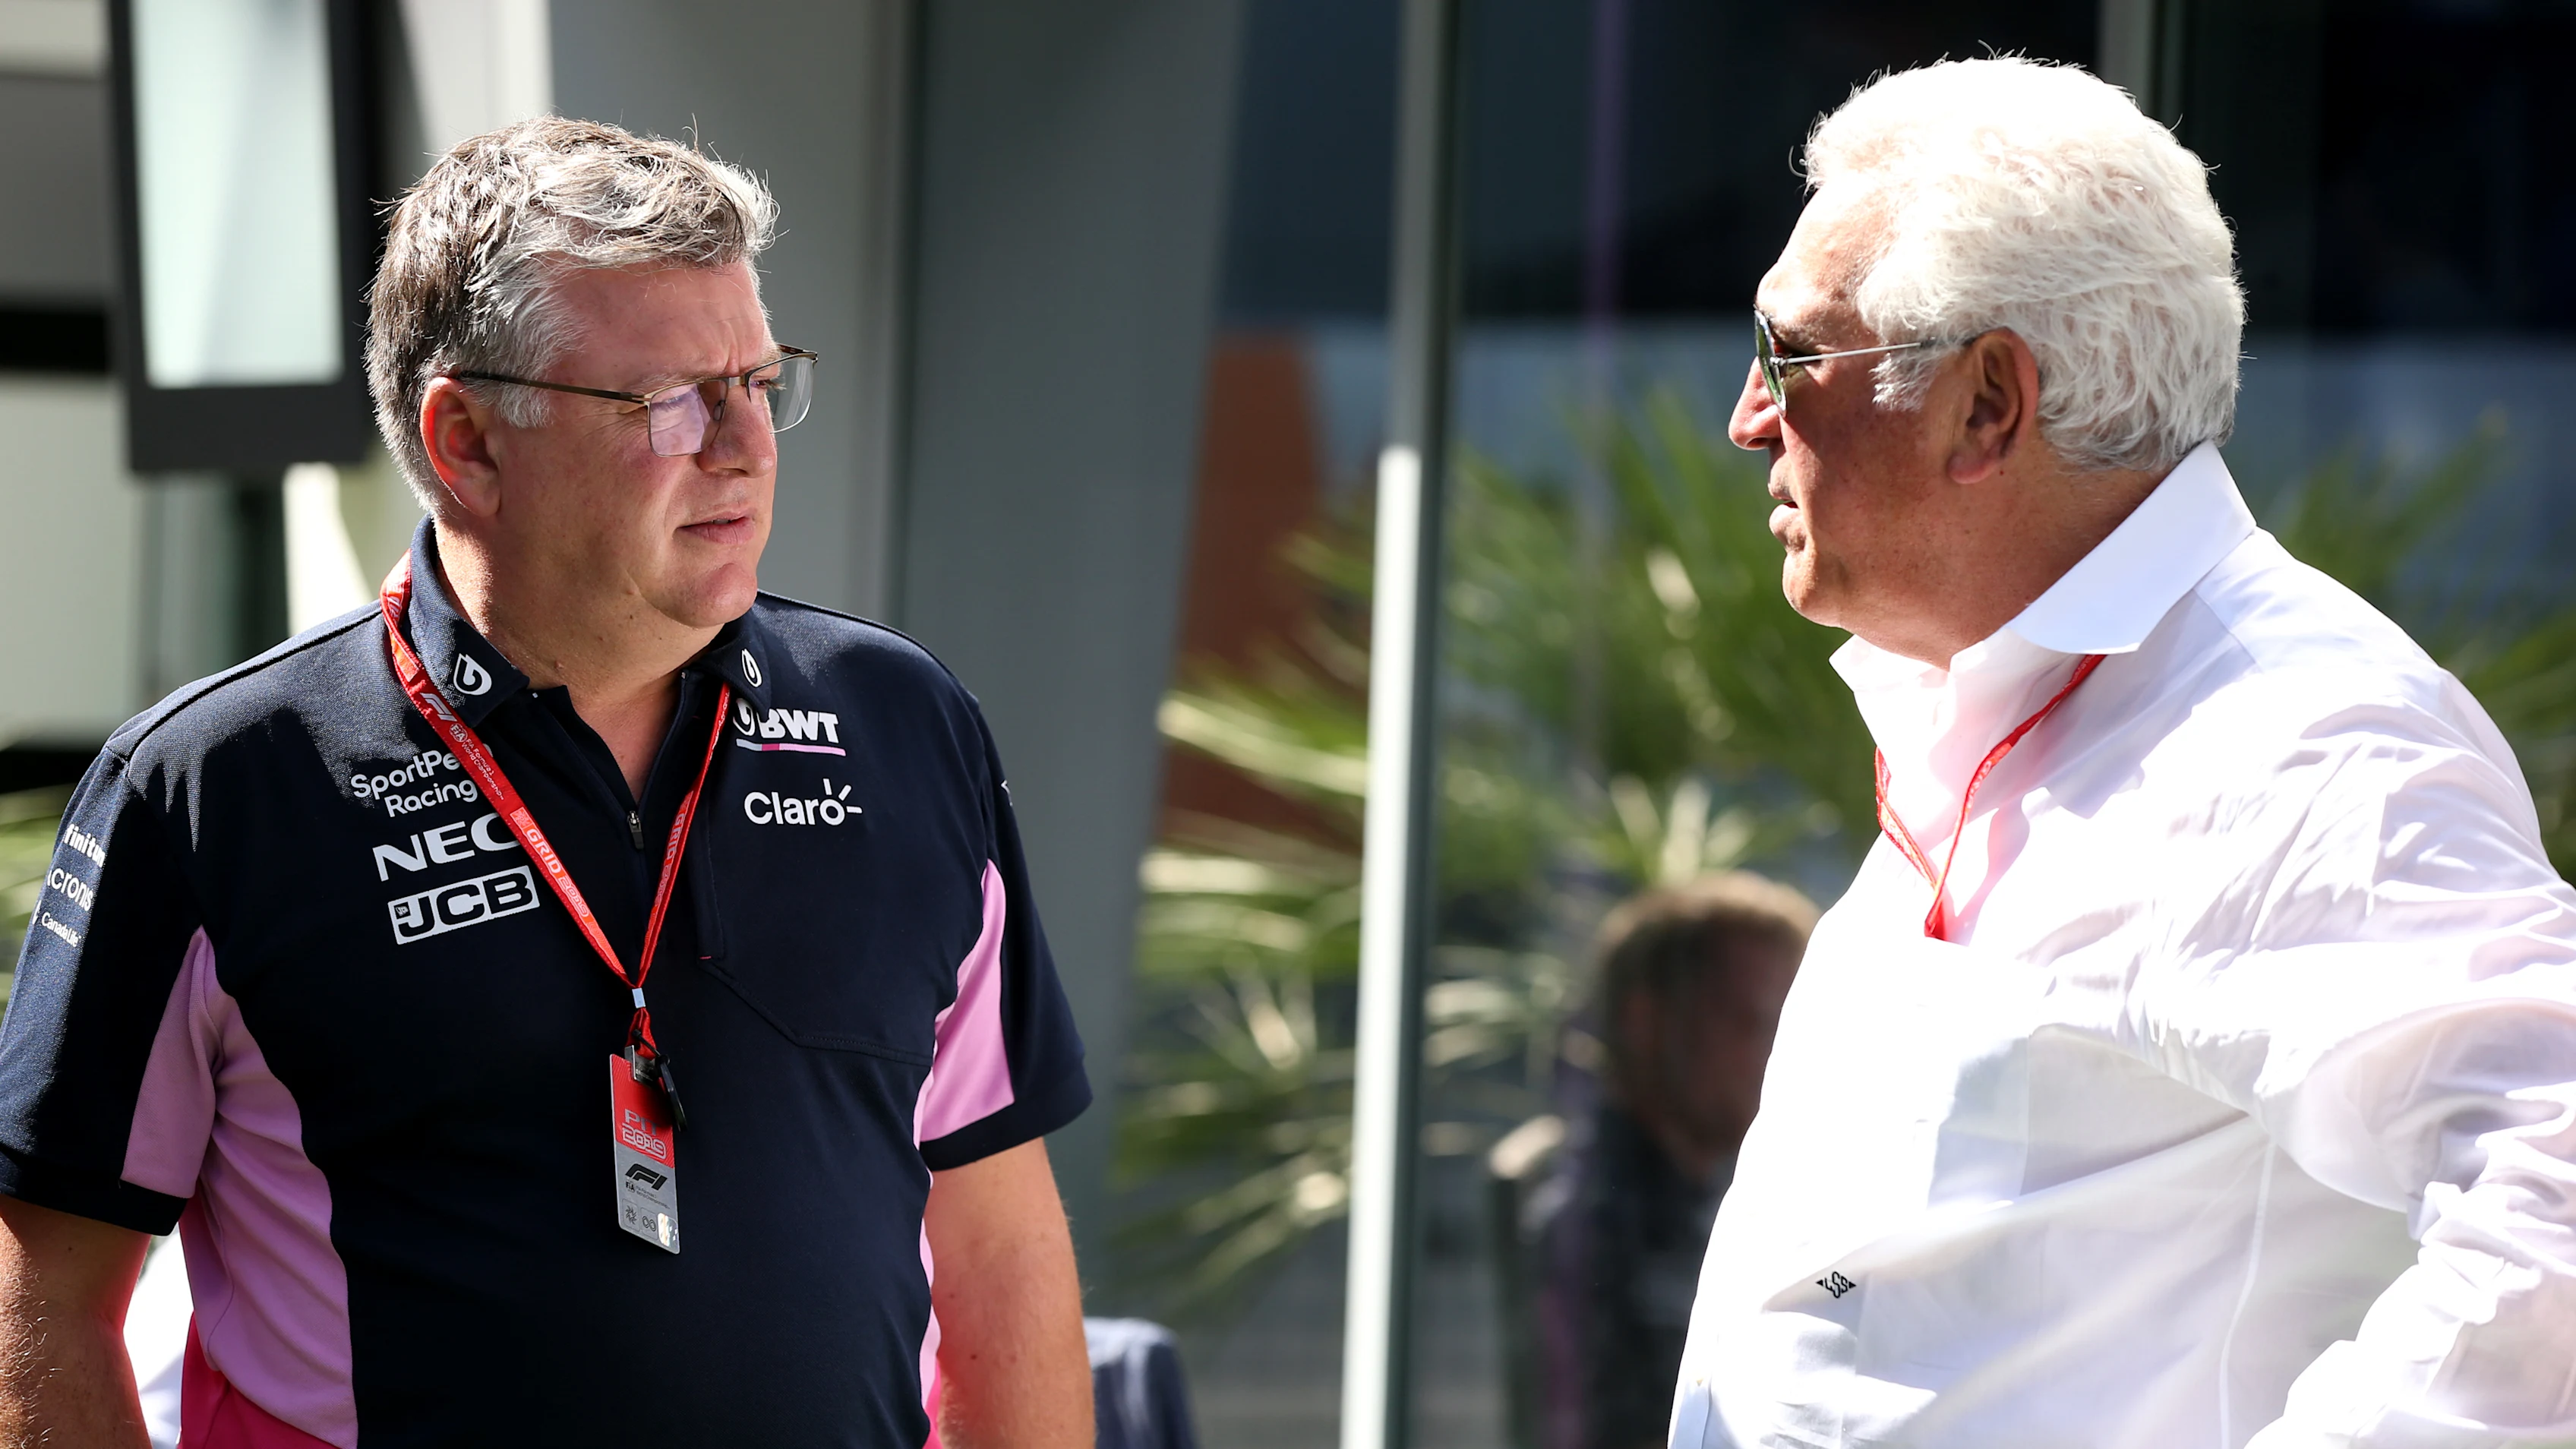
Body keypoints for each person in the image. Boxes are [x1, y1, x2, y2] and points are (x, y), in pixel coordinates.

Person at [0, 117, 1092, 1448]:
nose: (744, 445)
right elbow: (44, 1286)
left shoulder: (902, 722)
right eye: (671, 400)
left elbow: (1000, 1245)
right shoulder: (219, 784)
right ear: (463, 439)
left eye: (760, 379)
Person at [1668, 58, 2576, 1449]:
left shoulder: (2304, 736)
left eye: (1789, 353)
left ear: (1986, 404)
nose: (1748, 418)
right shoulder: (2020, 693)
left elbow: (2554, 1202)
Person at [1497, 873, 1812, 1449]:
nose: (1782, 1056)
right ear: (1646, 1022)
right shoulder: (1584, 1216)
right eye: (1755, 1021)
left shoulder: (1726, 1202)